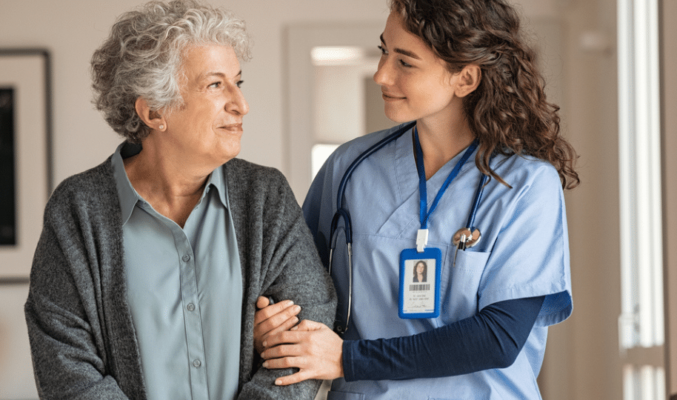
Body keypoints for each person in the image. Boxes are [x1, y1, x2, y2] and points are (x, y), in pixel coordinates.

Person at [253, 0, 578, 398]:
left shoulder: (525, 186)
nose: (381, 74)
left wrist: (348, 359)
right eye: (383, 52)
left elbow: (498, 337)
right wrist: (273, 323)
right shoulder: (349, 169)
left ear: (465, 78)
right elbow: (297, 289)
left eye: (405, 62)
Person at [24, 1, 336, 399]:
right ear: (154, 111)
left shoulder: (265, 197)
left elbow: (307, 331)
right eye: (215, 85)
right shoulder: (78, 210)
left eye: (238, 82)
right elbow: (65, 365)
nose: (240, 104)